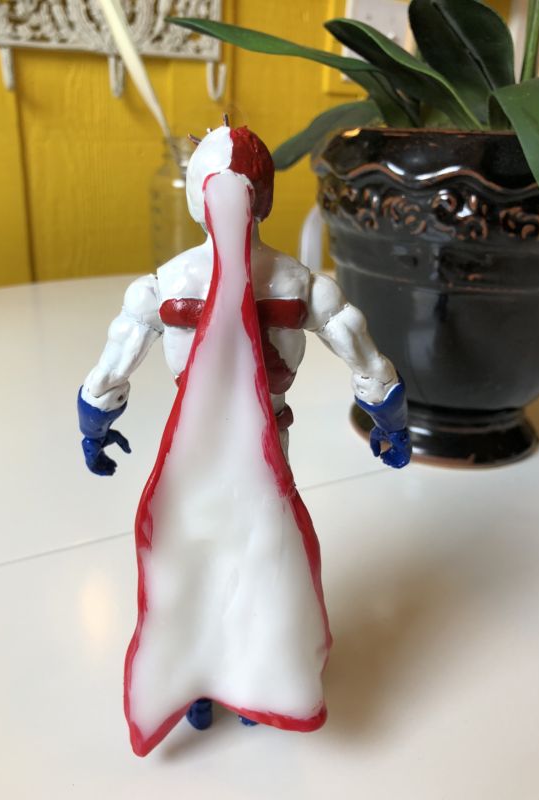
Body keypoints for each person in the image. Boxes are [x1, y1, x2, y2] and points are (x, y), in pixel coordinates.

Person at [77, 119, 411, 756]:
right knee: (231, 552)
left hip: (242, 448)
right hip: (214, 447)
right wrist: (389, 419)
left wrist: (95, 423)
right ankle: (216, 675)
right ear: (265, 197)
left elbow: (110, 371)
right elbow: (365, 358)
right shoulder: (283, 284)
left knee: (231, 551)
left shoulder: (180, 284)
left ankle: (248, 677)